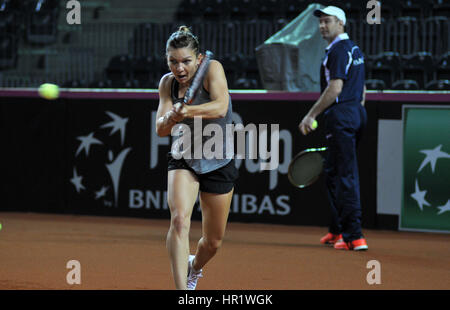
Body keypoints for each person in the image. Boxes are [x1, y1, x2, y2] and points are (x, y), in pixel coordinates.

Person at [156, 26, 238, 289]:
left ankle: (195, 267)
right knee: (179, 219)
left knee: (212, 242)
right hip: (184, 158)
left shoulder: (213, 69)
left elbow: (221, 106)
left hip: (219, 159)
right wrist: (170, 117)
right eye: (173, 61)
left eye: (186, 61)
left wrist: (187, 111)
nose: (179, 68)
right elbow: (161, 129)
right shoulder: (167, 83)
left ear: (199, 59)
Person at [298, 6, 368, 251]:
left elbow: (335, 88)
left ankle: (354, 236)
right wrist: (354, 112)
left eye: (327, 21)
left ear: (340, 23)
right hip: (356, 113)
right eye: (320, 22)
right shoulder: (354, 49)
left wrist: (311, 115)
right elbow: (362, 90)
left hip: (341, 115)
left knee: (345, 175)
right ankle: (337, 229)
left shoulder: (338, 50)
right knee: (332, 172)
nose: (322, 26)